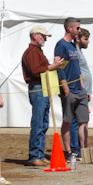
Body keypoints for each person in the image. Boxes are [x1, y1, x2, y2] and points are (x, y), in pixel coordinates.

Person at [21, 25, 66, 167]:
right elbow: (35, 71)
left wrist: (55, 66)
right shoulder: (31, 52)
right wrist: (52, 66)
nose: (45, 39)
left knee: (44, 123)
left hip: (43, 88)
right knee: (38, 123)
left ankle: (39, 154)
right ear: (36, 36)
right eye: (43, 36)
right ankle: (34, 155)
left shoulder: (37, 51)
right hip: (38, 88)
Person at [55, 17, 89, 161]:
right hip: (69, 89)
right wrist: (65, 88)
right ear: (70, 28)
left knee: (83, 121)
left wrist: (82, 86)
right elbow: (59, 67)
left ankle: (84, 151)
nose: (79, 30)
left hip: (79, 89)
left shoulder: (73, 46)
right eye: (77, 28)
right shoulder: (61, 45)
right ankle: (68, 151)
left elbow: (77, 68)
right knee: (68, 121)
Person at [71, 27, 93, 158]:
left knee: (84, 121)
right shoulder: (75, 52)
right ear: (78, 39)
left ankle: (82, 147)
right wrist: (83, 88)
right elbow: (78, 73)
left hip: (85, 91)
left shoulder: (80, 52)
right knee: (79, 121)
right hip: (79, 90)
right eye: (86, 39)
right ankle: (78, 149)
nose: (88, 41)